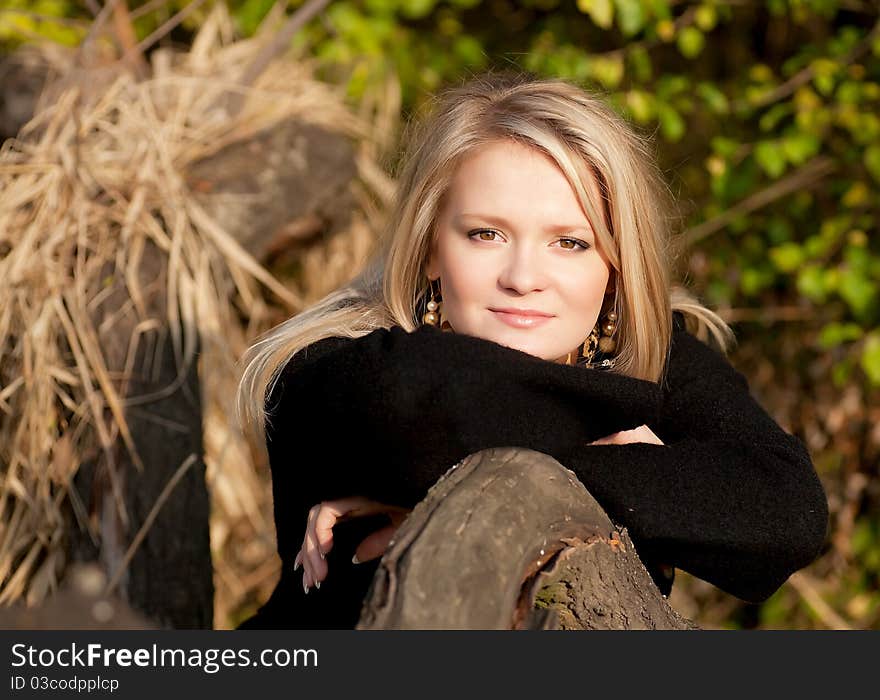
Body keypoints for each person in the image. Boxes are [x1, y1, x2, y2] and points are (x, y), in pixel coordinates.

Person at [234, 71, 829, 629]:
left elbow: (786, 516)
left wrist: (544, 478)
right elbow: (413, 405)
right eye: (486, 234)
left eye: (570, 243)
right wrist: (636, 468)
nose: (523, 277)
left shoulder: (641, 348)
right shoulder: (329, 364)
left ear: (616, 267)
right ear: (431, 246)